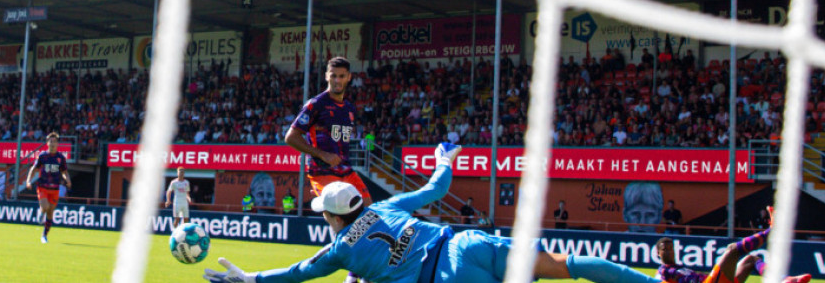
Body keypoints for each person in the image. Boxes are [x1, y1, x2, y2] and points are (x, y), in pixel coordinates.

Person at [203, 142, 660, 283]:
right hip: (465, 243)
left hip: (446, 278)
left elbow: (298, 272)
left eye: (324, 211)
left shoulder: (340, 249)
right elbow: (436, 188)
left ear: (335, 217)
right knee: (566, 266)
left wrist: (251, 280)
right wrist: (444, 156)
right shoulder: (385, 204)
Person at [285, 57, 371, 202]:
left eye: (341, 76)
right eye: (333, 76)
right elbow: (291, 137)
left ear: (349, 77)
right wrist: (322, 155)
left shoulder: (349, 108)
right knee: (340, 212)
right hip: (322, 172)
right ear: (326, 76)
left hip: (346, 171)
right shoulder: (316, 104)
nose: (337, 80)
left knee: (368, 212)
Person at [655, 210, 812, 283]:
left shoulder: (679, 267)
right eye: (664, 249)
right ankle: (771, 231)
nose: (668, 250)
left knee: (751, 259)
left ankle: (785, 280)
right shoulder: (664, 271)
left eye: (670, 247)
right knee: (732, 250)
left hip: (717, 281)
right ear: (658, 254)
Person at [25, 132, 71, 243]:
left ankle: (44, 235)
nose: (52, 143)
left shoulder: (61, 158)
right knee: (45, 206)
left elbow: (64, 171)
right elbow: (33, 169)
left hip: (55, 189)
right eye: (50, 141)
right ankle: (41, 212)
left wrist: (67, 179)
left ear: (58, 144)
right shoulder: (42, 156)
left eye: (54, 141)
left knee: (50, 212)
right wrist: (28, 180)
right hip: (43, 187)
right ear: (47, 143)